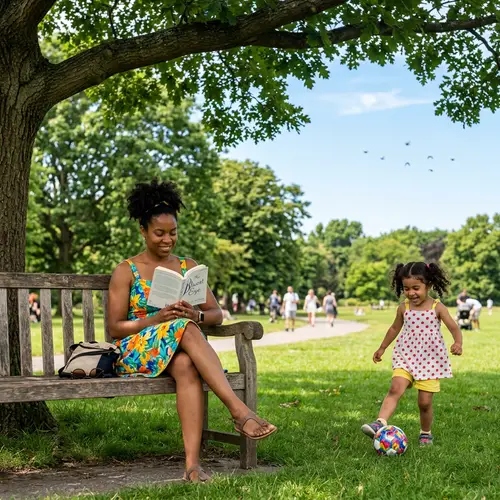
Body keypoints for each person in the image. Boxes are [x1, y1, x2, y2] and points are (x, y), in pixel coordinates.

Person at [107, 180, 276, 482]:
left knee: (186, 364)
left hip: (176, 352)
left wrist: (195, 313)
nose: (167, 239)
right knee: (183, 326)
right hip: (137, 351)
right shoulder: (126, 270)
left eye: (172, 232)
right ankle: (239, 412)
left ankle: (192, 466)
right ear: (143, 231)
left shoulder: (188, 266)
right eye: (159, 233)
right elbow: (114, 328)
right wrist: (157, 319)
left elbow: (216, 314)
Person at [361, 262, 463, 447]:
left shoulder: (437, 307)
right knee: (395, 388)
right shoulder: (403, 307)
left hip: (430, 360)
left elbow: (454, 327)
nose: (411, 293)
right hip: (405, 355)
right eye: (406, 288)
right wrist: (382, 347)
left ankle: (425, 432)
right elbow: (394, 328)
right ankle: (380, 422)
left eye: (416, 288)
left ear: (429, 285)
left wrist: (458, 342)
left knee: (424, 403)